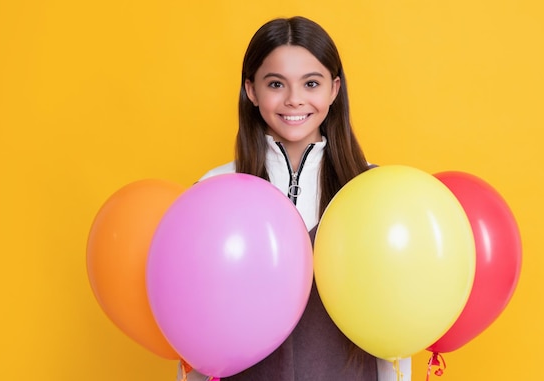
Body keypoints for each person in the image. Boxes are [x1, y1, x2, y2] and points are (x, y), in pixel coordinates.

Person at [176, 16, 412, 381]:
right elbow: (192, 328)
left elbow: (395, 328)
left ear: (334, 90)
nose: (294, 100)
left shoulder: (371, 191)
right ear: (251, 90)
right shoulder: (213, 191)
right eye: (275, 84)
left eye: (311, 83)